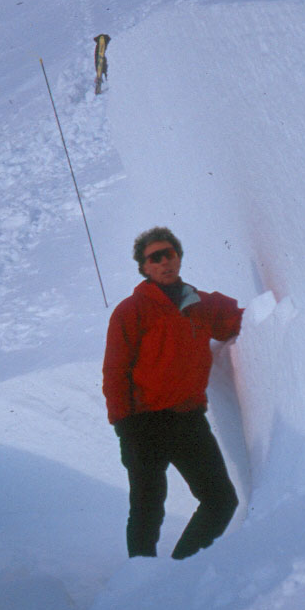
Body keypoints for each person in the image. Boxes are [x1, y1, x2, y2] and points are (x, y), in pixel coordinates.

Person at [103, 227, 243, 559]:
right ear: (144, 267)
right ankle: (141, 584)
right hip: (144, 424)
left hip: (188, 419)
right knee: (147, 510)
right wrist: (125, 428)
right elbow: (114, 373)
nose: (165, 261)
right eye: (156, 257)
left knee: (221, 500)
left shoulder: (200, 304)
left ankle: (180, 573)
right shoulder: (130, 311)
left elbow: (234, 320)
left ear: (179, 257)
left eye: (170, 253)